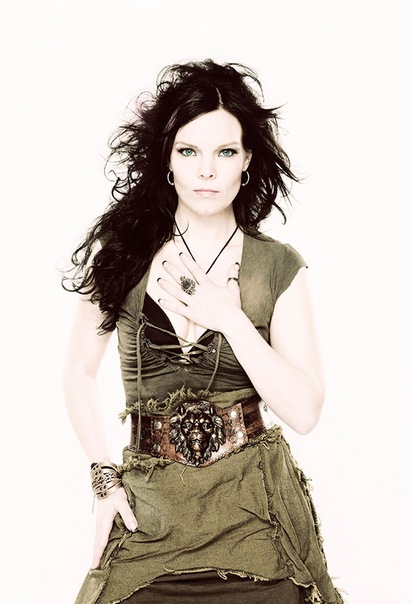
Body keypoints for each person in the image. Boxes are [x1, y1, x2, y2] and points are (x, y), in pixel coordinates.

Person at [62, 59, 343, 604]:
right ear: (167, 160)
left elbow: (305, 412)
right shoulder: (123, 255)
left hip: (256, 517)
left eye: (225, 152)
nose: (207, 171)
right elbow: (78, 372)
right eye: (189, 151)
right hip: (149, 515)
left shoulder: (276, 265)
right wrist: (104, 481)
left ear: (247, 160)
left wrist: (230, 318)